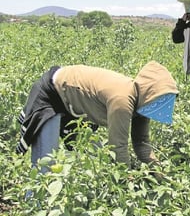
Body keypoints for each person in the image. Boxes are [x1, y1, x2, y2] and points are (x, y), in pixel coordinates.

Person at [16, 61, 179, 173]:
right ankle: (35, 206)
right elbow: (118, 146)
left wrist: (159, 173)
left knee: (93, 156)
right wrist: (126, 183)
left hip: (73, 105)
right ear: (149, 92)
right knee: (44, 165)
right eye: (159, 99)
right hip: (52, 93)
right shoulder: (122, 99)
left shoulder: (142, 104)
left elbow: (141, 143)